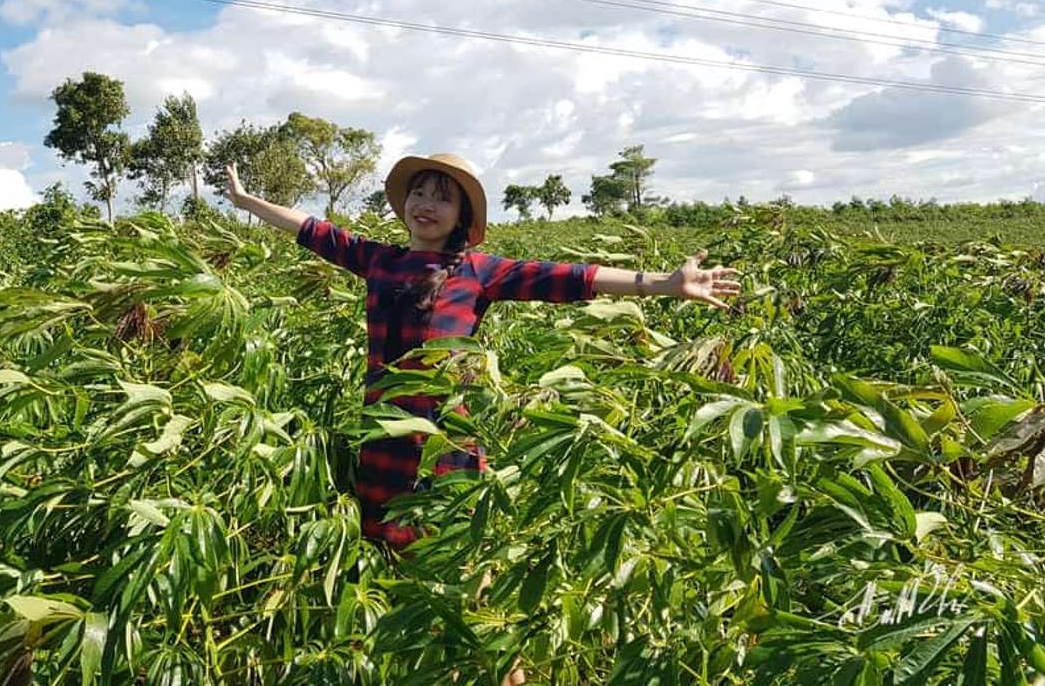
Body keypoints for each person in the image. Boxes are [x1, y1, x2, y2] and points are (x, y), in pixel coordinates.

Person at [223, 152, 741, 549]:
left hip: (445, 440)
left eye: (442, 198)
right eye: (419, 194)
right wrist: (249, 203)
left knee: (462, 568)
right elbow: (315, 231)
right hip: (381, 435)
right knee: (391, 567)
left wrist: (663, 284)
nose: (426, 205)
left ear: (462, 215)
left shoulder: (479, 272)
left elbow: (573, 279)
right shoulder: (377, 260)